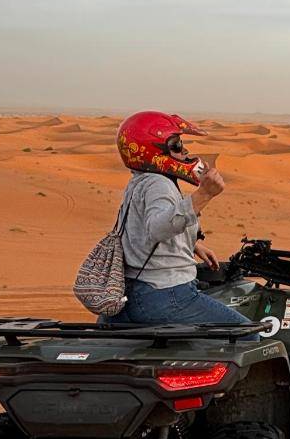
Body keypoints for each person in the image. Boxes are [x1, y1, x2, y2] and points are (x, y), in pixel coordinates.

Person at [104, 110, 255, 332]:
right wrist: (203, 195)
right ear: (154, 151)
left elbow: (140, 231)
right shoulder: (158, 184)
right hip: (166, 295)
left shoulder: (140, 182)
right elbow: (157, 228)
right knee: (246, 336)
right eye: (175, 145)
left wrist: (193, 244)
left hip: (132, 294)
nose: (184, 151)